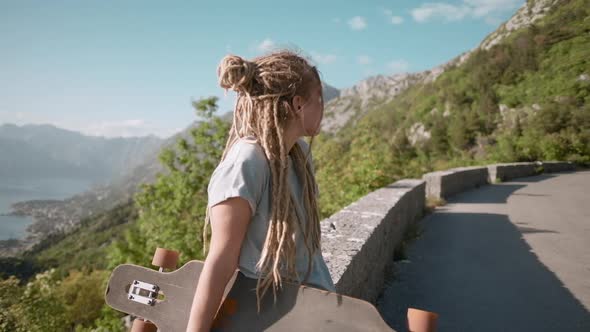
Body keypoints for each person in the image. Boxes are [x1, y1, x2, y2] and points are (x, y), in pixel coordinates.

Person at [185, 50, 335, 332]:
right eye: (319, 97)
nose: (323, 106)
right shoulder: (247, 161)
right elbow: (221, 258)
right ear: (298, 104)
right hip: (272, 317)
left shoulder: (298, 155)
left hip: (316, 312)